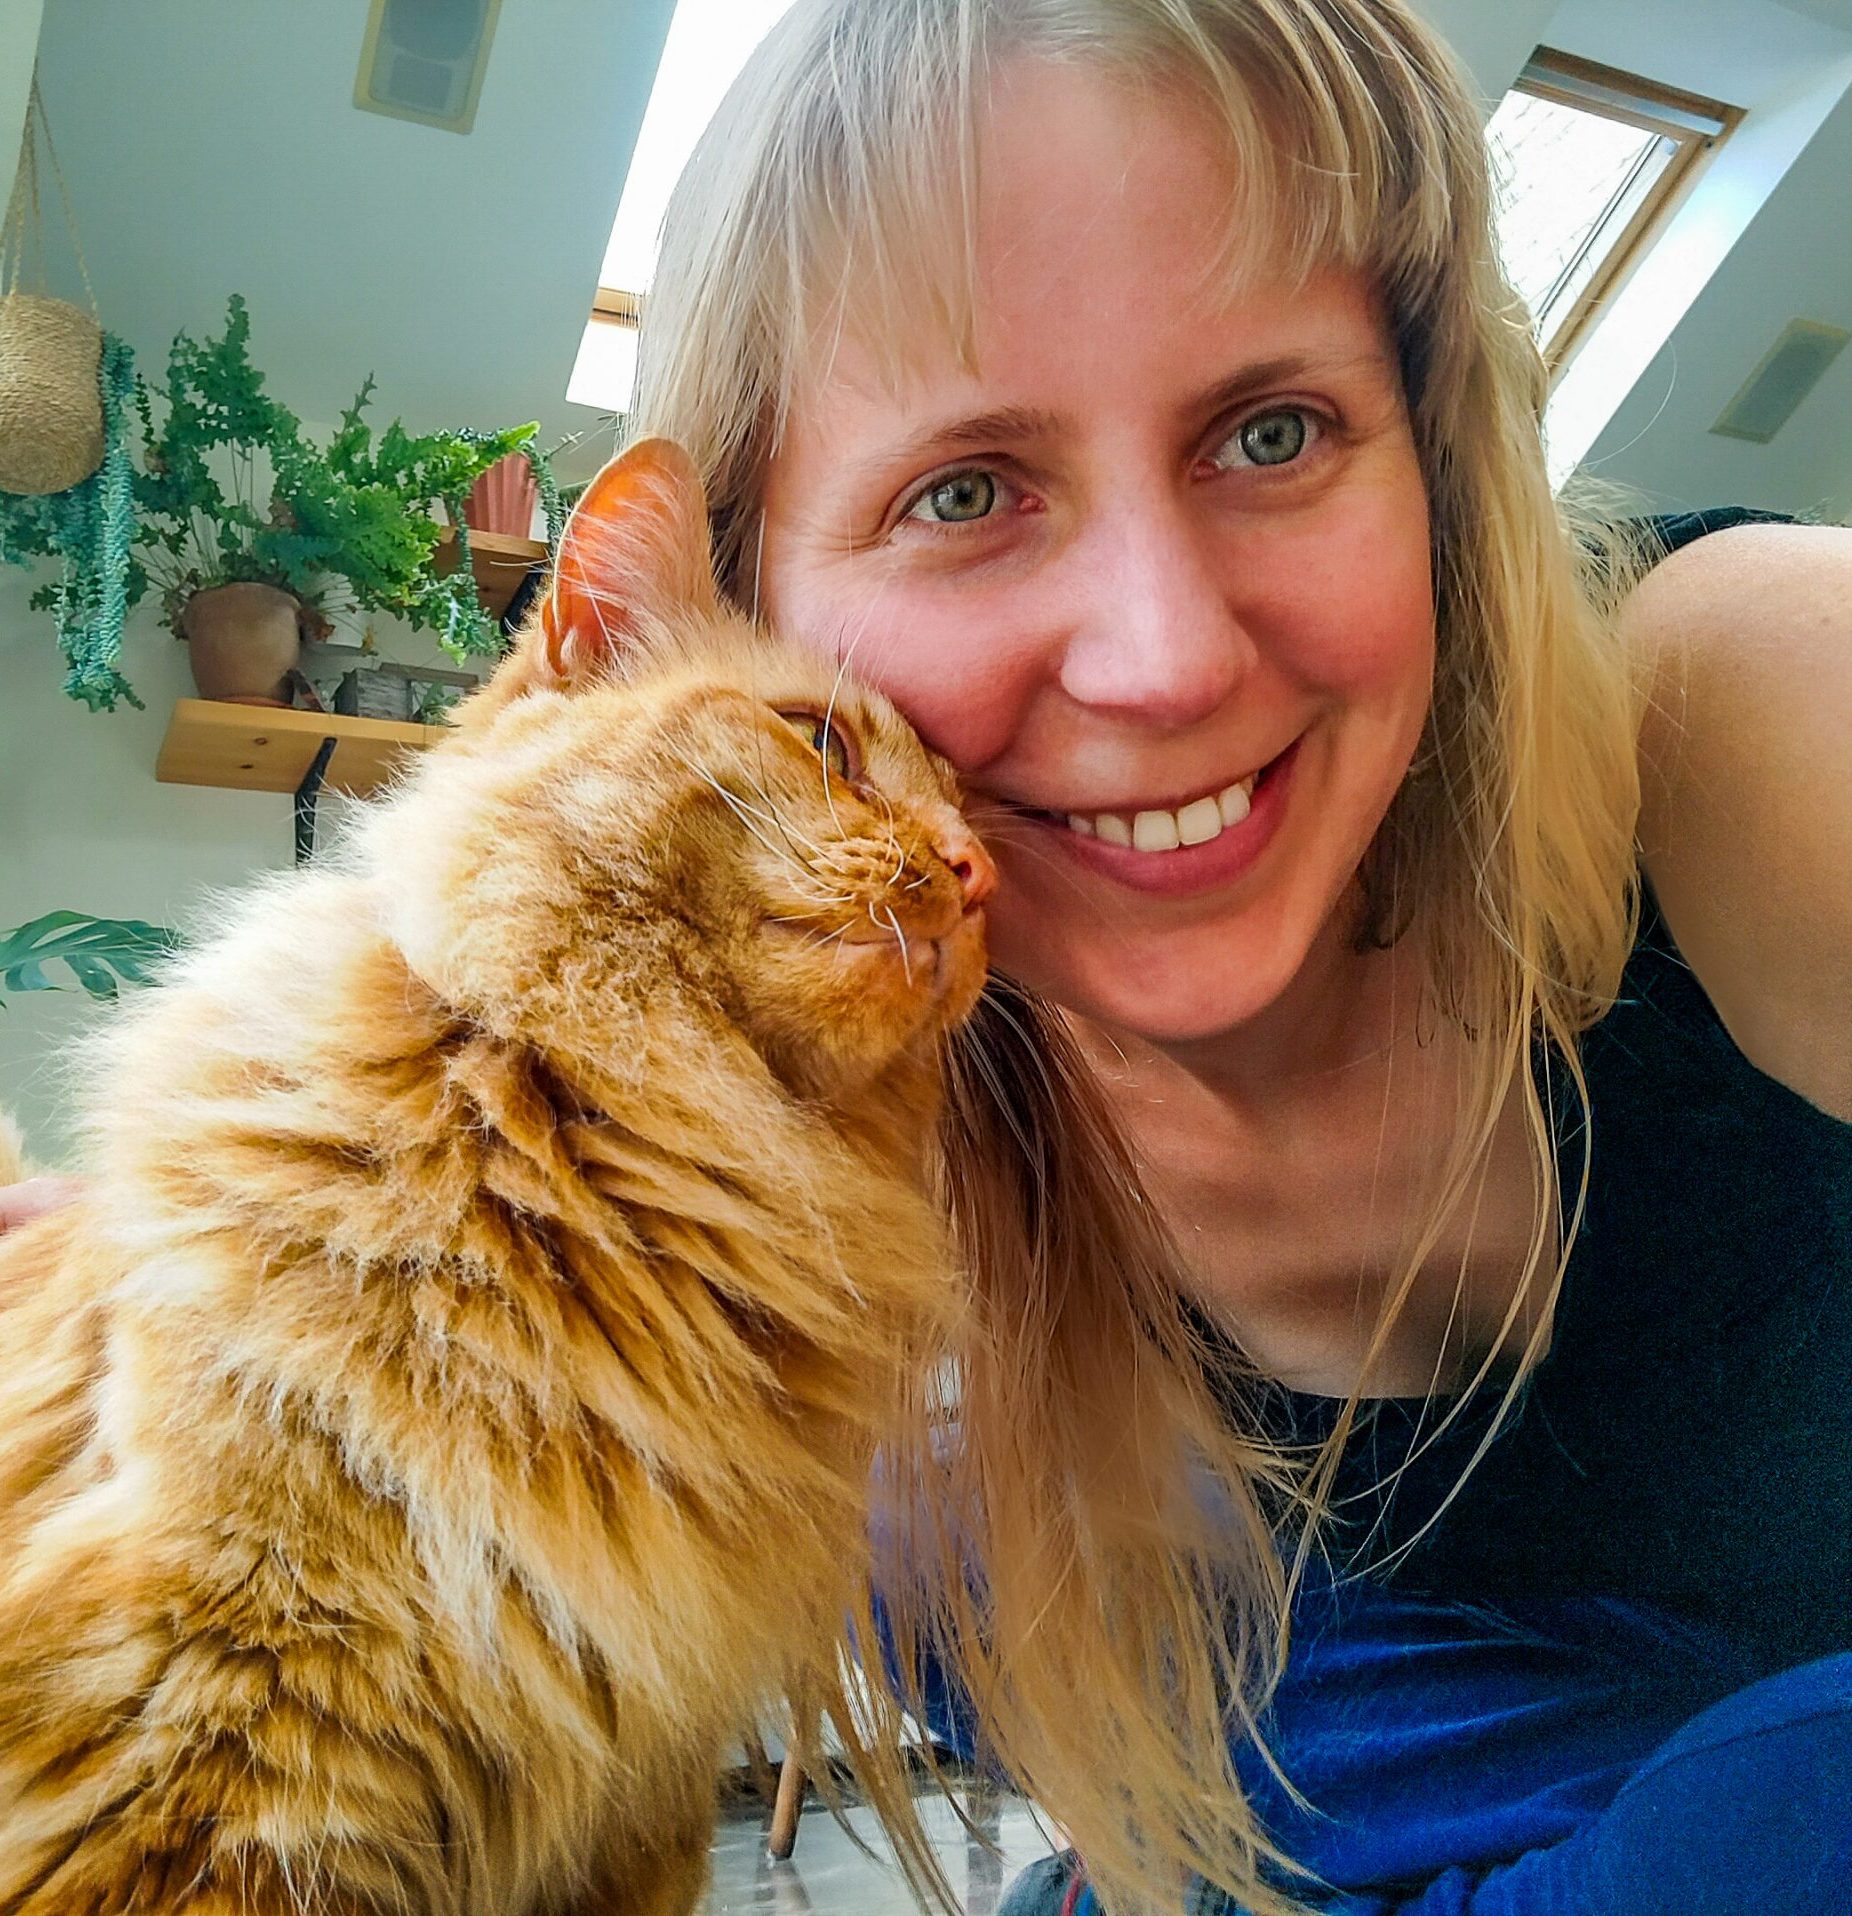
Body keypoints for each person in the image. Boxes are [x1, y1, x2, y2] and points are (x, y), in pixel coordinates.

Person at [6, 2, 1847, 1909]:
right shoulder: (878, 1142)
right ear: (752, 596)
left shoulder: (1748, 696)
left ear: (1441, 466)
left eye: (1274, 432)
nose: (1164, 659)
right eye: (963, 493)